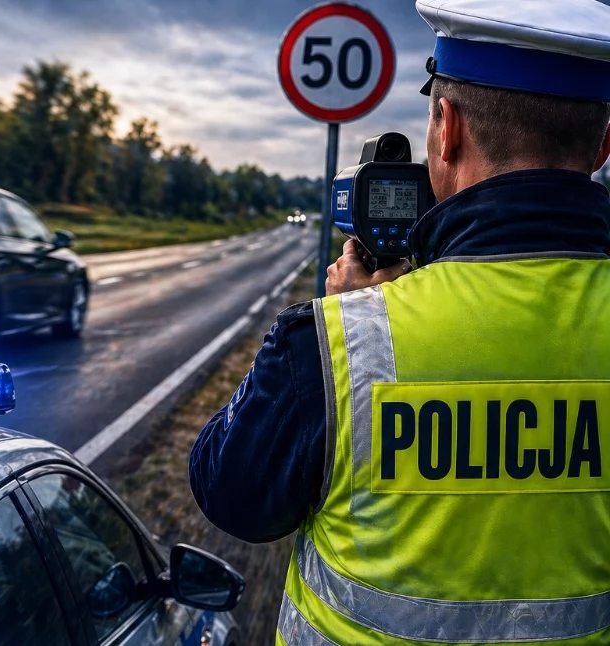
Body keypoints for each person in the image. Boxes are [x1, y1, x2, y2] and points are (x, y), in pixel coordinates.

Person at [188, 0, 610, 643]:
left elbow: (229, 494)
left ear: (447, 128)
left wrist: (350, 313)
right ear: (604, 145)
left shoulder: (331, 347)